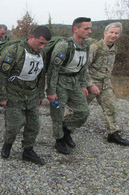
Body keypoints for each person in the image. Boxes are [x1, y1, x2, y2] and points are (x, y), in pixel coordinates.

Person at [0, 26, 52, 165]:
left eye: (45, 44)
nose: (42, 47)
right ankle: (7, 144)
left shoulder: (40, 54)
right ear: (32, 37)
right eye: (40, 43)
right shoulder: (14, 51)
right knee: (14, 124)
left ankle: (28, 150)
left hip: (31, 95)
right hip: (13, 93)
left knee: (34, 125)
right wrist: (1, 97)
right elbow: (0, 75)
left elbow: (40, 75)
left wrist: (40, 94)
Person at [47, 17, 92, 155]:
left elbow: (83, 68)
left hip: (75, 83)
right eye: (86, 28)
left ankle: (66, 130)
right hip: (60, 83)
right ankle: (59, 140)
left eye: (90, 28)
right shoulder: (64, 45)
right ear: (75, 29)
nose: (89, 31)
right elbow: (53, 70)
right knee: (57, 114)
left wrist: (83, 85)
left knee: (83, 112)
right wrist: (51, 91)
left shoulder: (85, 46)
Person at [86, 22, 129, 146]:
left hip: (105, 85)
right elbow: (84, 68)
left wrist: (107, 82)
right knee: (77, 110)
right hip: (91, 84)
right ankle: (64, 129)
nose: (113, 35)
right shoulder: (95, 48)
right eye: (111, 32)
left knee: (111, 107)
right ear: (105, 33)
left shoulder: (113, 49)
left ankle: (113, 134)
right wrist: (90, 85)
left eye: (116, 33)